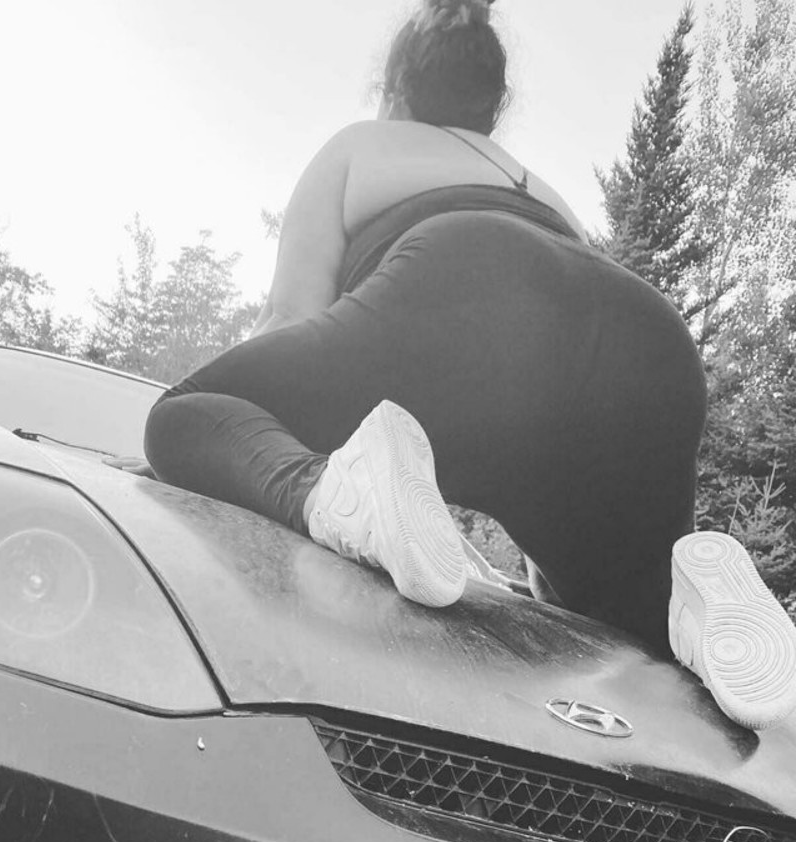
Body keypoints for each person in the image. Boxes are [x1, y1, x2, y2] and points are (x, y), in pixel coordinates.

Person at [143, 0, 796, 731]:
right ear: (492, 106)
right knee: (618, 607)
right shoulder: (539, 188)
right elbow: (559, 385)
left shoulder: (362, 146)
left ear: (397, 89)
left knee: (184, 414)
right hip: (649, 339)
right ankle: (690, 605)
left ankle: (335, 487)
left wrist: (241, 451)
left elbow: (289, 316)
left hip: (470, 280)